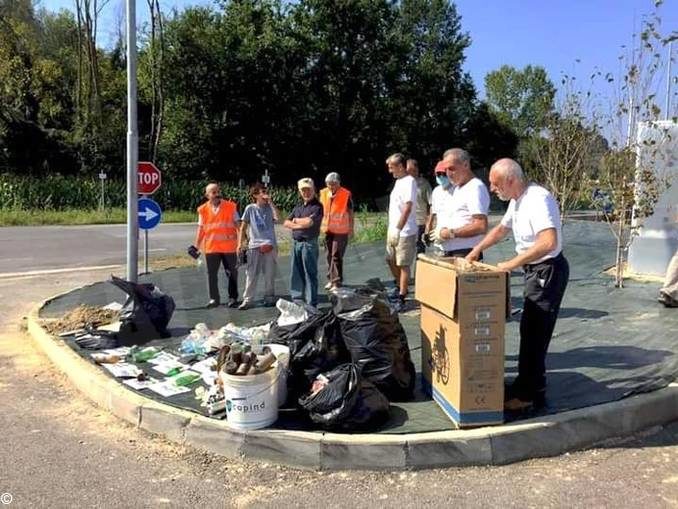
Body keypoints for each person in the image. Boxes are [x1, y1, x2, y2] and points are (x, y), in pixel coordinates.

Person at [466, 158, 569, 411]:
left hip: (547, 271)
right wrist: (476, 250)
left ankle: (527, 395)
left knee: (535, 332)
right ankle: (532, 384)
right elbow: (501, 229)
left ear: (511, 180)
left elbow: (548, 242)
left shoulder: (538, 199)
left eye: (495, 183)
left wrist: (510, 264)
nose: (492, 189)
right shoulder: (517, 200)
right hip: (535, 271)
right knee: (530, 329)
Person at [430, 148, 489, 258]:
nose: (448, 174)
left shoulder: (475, 187)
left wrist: (449, 233)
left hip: (465, 252)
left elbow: (481, 226)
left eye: (452, 169)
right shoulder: (457, 188)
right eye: (446, 169)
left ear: (466, 165)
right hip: (448, 250)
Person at [193, 182, 241, 308]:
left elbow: (238, 226)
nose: (216, 194)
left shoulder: (231, 207)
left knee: (232, 273)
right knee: (211, 275)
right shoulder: (203, 210)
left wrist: (241, 243)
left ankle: (233, 298)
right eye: (213, 192)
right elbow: (201, 229)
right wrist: (196, 246)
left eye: (217, 191)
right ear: (207, 195)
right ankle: (214, 299)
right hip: (211, 248)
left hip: (229, 247)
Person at [237, 183, 280, 310]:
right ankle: (248, 300)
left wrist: (271, 203)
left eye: (266, 191)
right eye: (262, 191)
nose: (265, 193)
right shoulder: (250, 208)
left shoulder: (269, 207)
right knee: (251, 274)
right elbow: (243, 227)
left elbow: (279, 218)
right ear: (255, 194)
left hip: (270, 245)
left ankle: (269, 297)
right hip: (254, 245)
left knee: (269, 273)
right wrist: (240, 244)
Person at [283, 178, 324, 307]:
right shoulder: (298, 207)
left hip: (309, 244)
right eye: (303, 190)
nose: (306, 192)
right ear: (300, 192)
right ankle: (297, 299)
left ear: (313, 190)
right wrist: (299, 223)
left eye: (308, 190)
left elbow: (309, 223)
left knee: (310, 273)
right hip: (296, 243)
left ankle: (311, 303)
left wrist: (295, 221)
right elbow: (285, 222)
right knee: (296, 272)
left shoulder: (317, 207)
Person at [385, 153, 418, 312]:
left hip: (405, 231)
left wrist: (398, 228)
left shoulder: (409, 182)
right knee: (390, 259)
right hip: (394, 229)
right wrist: (393, 228)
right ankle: (399, 286)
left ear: (400, 166)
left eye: (392, 168)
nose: (390, 171)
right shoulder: (398, 182)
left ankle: (402, 296)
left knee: (403, 263)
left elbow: (408, 207)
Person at [319, 172, 354, 290]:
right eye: (328, 184)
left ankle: (337, 281)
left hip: (341, 230)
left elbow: (350, 212)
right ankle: (330, 278)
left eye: (333, 184)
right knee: (328, 255)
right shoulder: (323, 193)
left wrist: (351, 228)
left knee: (336, 255)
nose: (330, 187)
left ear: (338, 183)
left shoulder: (345, 194)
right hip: (328, 229)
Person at [425, 160, 455, 244]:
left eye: (443, 174)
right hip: (439, 236)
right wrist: (428, 229)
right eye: (438, 174)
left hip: (454, 235)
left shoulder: (457, 190)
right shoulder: (436, 191)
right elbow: (434, 212)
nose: (441, 177)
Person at [407, 159, 432, 254]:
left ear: (416, 170)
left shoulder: (424, 184)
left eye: (411, 170)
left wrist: (428, 223)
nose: (409, 173)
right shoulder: (403, 184)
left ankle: (419, 268)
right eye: (407, 170)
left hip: (419, 222)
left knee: (419, 249)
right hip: (406, 223)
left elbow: (431, 204)